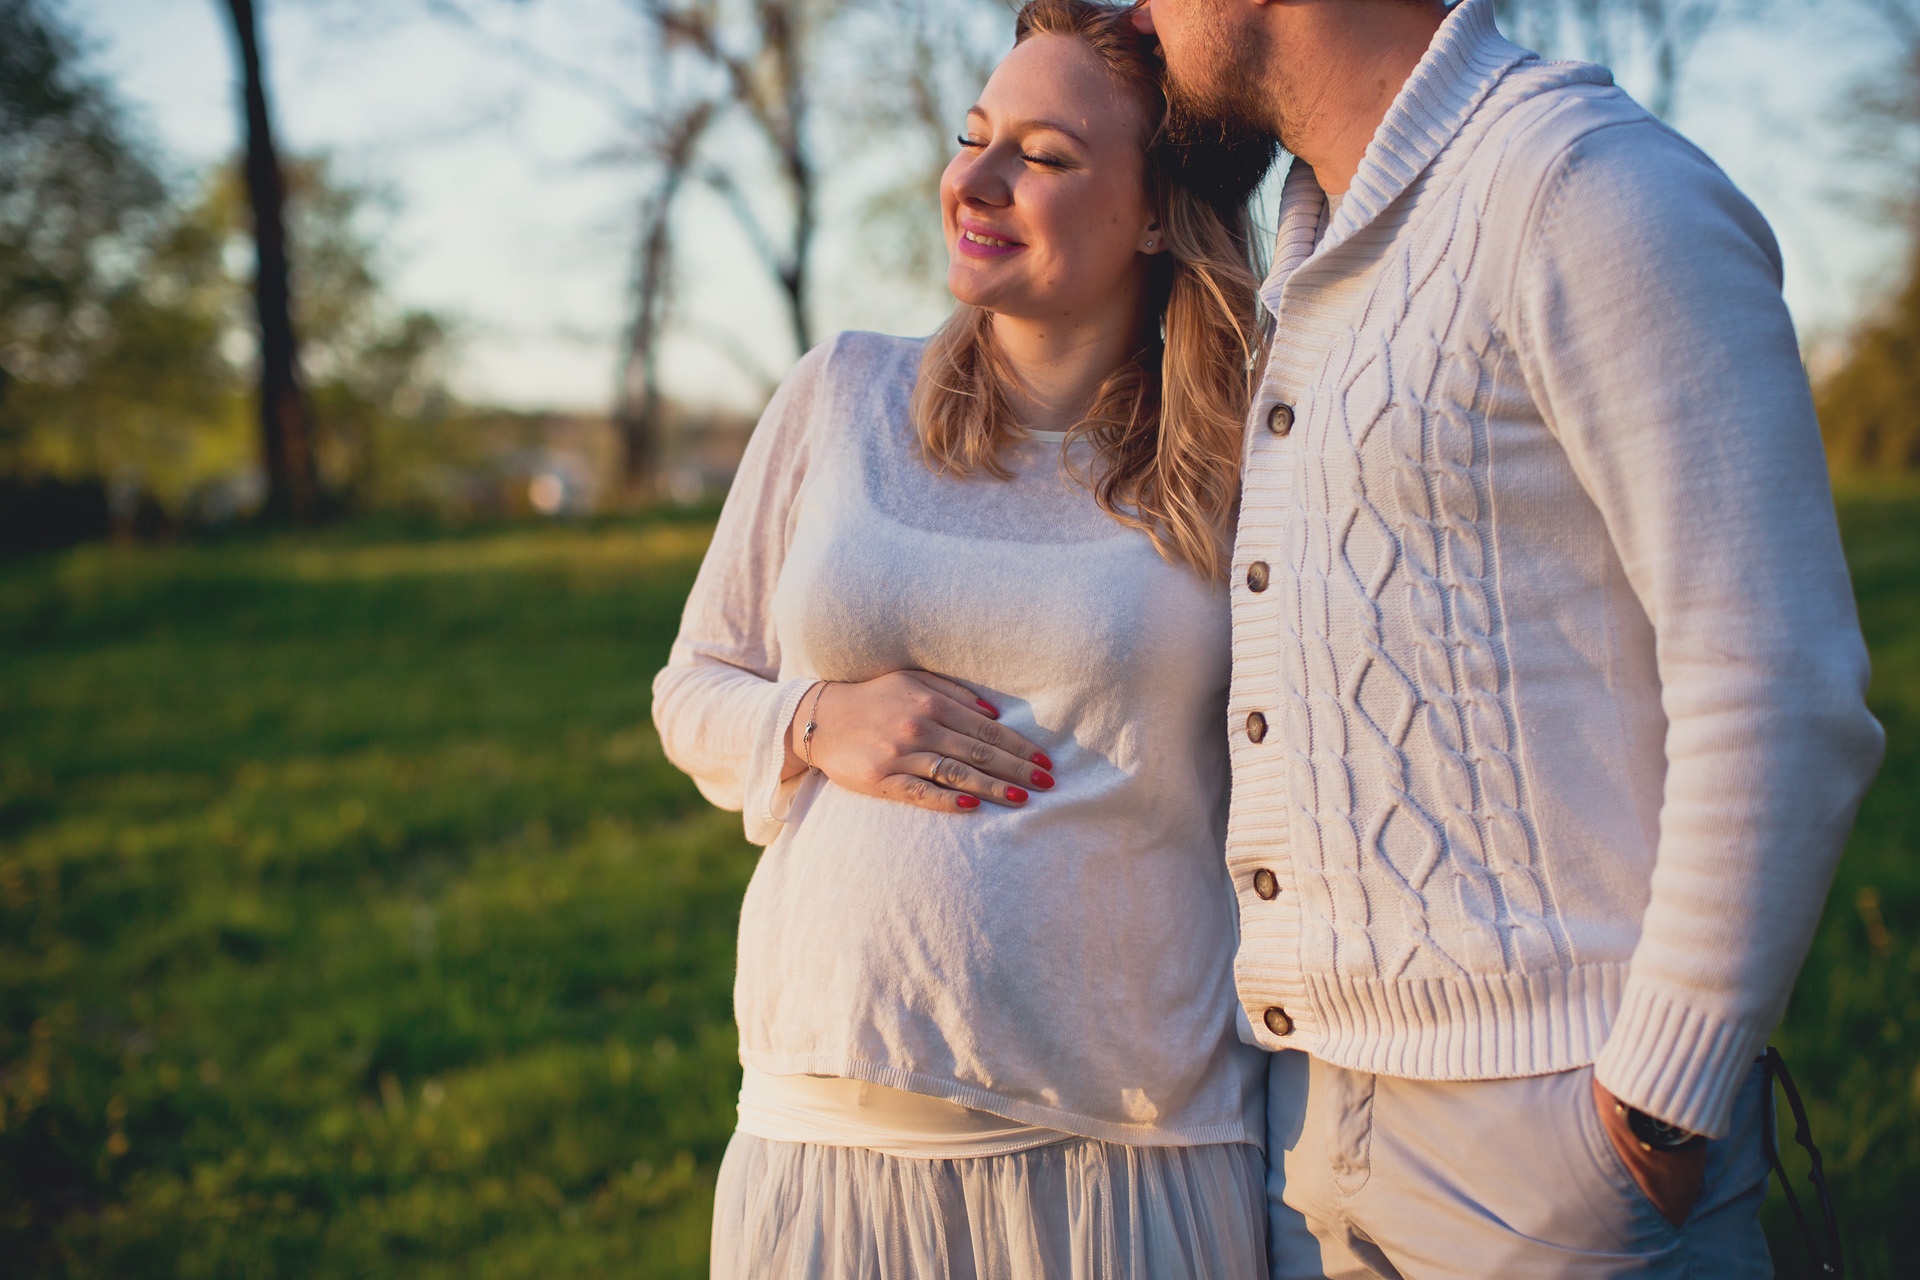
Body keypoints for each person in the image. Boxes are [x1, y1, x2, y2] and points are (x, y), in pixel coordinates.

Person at [1128, 0, 1887, 1276]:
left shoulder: (1582, 186)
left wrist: (1659, 1094)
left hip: (1554, 1148)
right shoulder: (1320, 252)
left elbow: (1779, 674)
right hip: (1309, 1130)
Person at [651, 1, 1282, 1273]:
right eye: (973, 134)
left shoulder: (1248, 450)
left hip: (1132, 1155)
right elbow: (692, 686)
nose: (975, 181)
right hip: (826, 1141)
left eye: (1043, 156)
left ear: (1157, 211)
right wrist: (815, 722)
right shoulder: (843, 391)